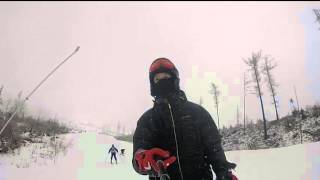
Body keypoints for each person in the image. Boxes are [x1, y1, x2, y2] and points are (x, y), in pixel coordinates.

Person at [132, 58, 238, 180]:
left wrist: (224, 173)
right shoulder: (147, 120)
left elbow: (214, 149)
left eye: (166, 77)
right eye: (157, 79)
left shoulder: (197, 113)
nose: (162, 82)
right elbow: (138, 156)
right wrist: (142, 158)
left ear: (175, 79)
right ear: (152, 84)